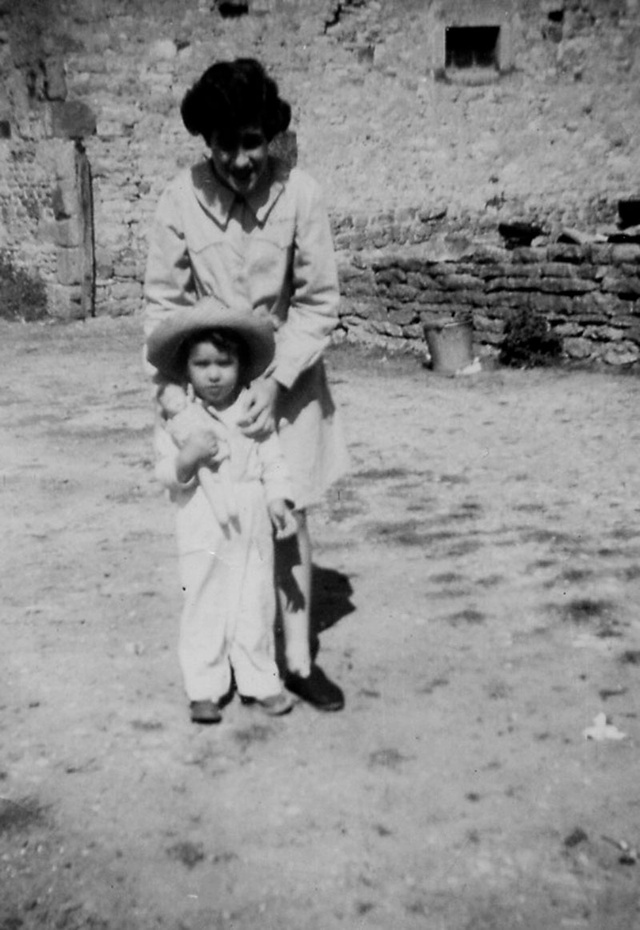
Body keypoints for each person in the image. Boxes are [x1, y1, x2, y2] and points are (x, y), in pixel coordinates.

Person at [144, 57, 349, 711]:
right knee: (216, 534)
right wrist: (182, 409)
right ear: (208, 142)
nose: (241, 159)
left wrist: (278, 379)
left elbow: (318, 304)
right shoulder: (180, 200)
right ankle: (220, 666)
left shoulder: (302, 195)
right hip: (210, 391)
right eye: (227, 144)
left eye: (253, 141)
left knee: (285, 523)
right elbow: (163, 312)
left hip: (287, 389)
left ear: (272, 137)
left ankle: (292, 662)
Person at [148, 299, 298, 724]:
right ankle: (205, 685)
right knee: (206, 599)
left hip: (250, 518)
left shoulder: (252, 411)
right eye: (202, 364)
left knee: (255, 599)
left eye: (224, 363)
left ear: (242, 364)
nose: (214, 374)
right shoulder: (180, 420)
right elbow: (165, 474)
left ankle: (259, 679)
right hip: (200, 521)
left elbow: (272, 461)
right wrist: (188, 458)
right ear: (186, 369)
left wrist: (276, 498)